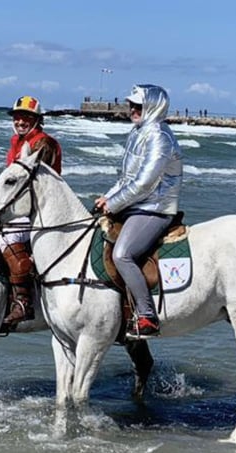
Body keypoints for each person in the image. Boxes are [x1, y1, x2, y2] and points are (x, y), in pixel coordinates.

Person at [94, 84, 183, 339]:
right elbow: (126, 178)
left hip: (155, 208)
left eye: (138, 105)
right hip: (136, 205)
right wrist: (107, 198)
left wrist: (114, 204)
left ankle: (147, 316)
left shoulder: (159, 137)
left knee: (122, 254)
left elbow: (145, 183)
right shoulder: (138, 132)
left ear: (153, 107)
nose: (132, 109)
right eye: (131, 104)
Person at [0, 95, 63, 325]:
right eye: (17, 118)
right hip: (23, 207)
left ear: (37, 120)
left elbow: (30, 184)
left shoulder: (43, 144)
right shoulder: (17, 142)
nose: (20, 122)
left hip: (40, 210)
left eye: (26, 118)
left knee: (6, 238)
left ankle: (23, 302)